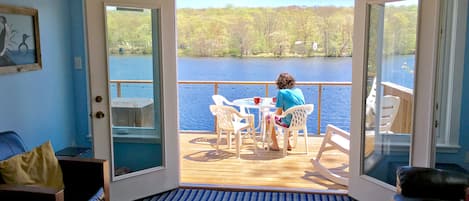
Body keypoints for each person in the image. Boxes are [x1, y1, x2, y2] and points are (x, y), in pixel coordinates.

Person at [267, 73, 305, 151]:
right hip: (301, 121)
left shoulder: (282, 93)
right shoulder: (299, 90)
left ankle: (275, 145)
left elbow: (278, 113)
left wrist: (271, 114)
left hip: (289, 123)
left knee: (267, 118)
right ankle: (288, 143)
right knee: (287, 115)